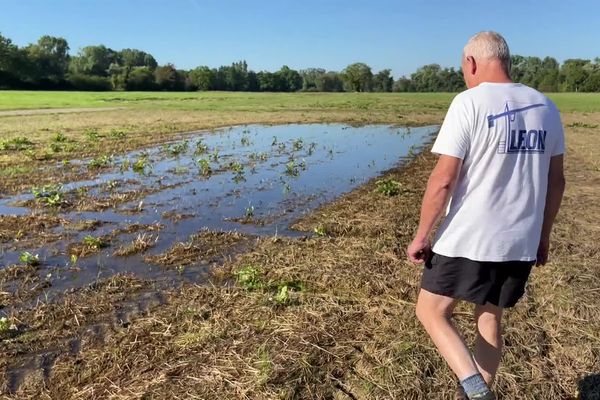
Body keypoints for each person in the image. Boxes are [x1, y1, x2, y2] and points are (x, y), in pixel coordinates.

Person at [406, 31, 566, 400]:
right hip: (520, 240)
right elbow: (556, 182)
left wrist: (421, 235)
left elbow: (443, 179)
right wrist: (542, 237)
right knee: (490, 321)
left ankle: (477, 392)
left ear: (471, 63)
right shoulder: (546, 106)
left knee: (431, 312)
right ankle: (476, 394)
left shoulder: (469, 102)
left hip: (471, 236)